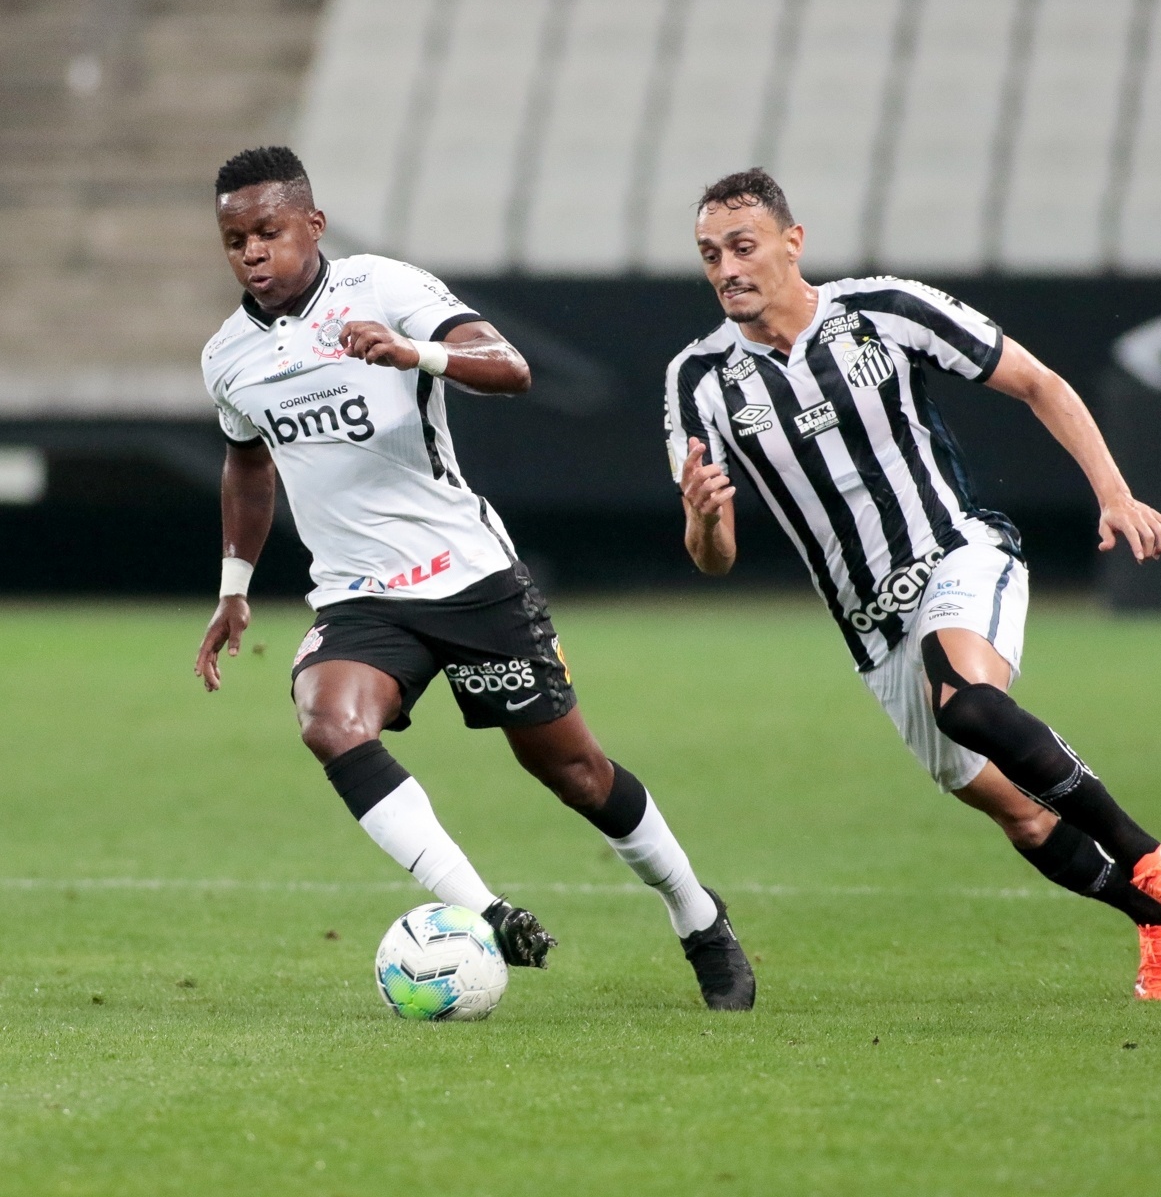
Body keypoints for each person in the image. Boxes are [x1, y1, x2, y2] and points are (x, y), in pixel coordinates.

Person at [194, 146, 754, 1011]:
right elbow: (246, 465)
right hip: (356, 595)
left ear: (313, 224)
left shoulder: (386, 289)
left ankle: (696, 914)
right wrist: (235, 584)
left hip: (465, 575)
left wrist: (413, 354)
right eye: (235, 238)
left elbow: (511, 368)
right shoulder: (228, 356)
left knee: (575, 774)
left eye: (268, 230)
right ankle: (482, 912)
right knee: (328, 720)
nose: (253, 252)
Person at [665, 168, 1161, 1001]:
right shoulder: (697, 380)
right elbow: (714, 559)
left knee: (962, 697)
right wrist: (705, 518)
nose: (726, 269)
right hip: (868, 627)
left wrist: (1113, 492)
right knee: (1019, 812)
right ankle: (1151, 915)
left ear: (793, 242)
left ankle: (1151, 856)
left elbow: (1038, 382)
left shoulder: (882, 310)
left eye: (742, 247)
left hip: (957, 552)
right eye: (711, 254)